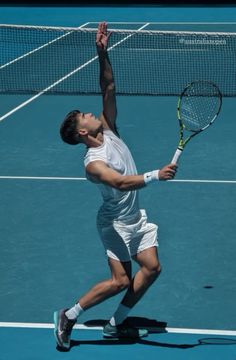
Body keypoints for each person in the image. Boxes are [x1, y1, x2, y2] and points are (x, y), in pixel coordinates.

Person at [54, 21, 177, 350]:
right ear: (82, 133)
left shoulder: (108, 128)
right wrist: (155, 175)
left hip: (135, 218)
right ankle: (69, 314)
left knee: (152, 268)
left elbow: (108, 87)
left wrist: (102, 52)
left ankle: (115, 324)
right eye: (85, 117)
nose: (93, 113)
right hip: (114, 224)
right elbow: (121, 182)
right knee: (120, 280)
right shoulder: (93, 165)